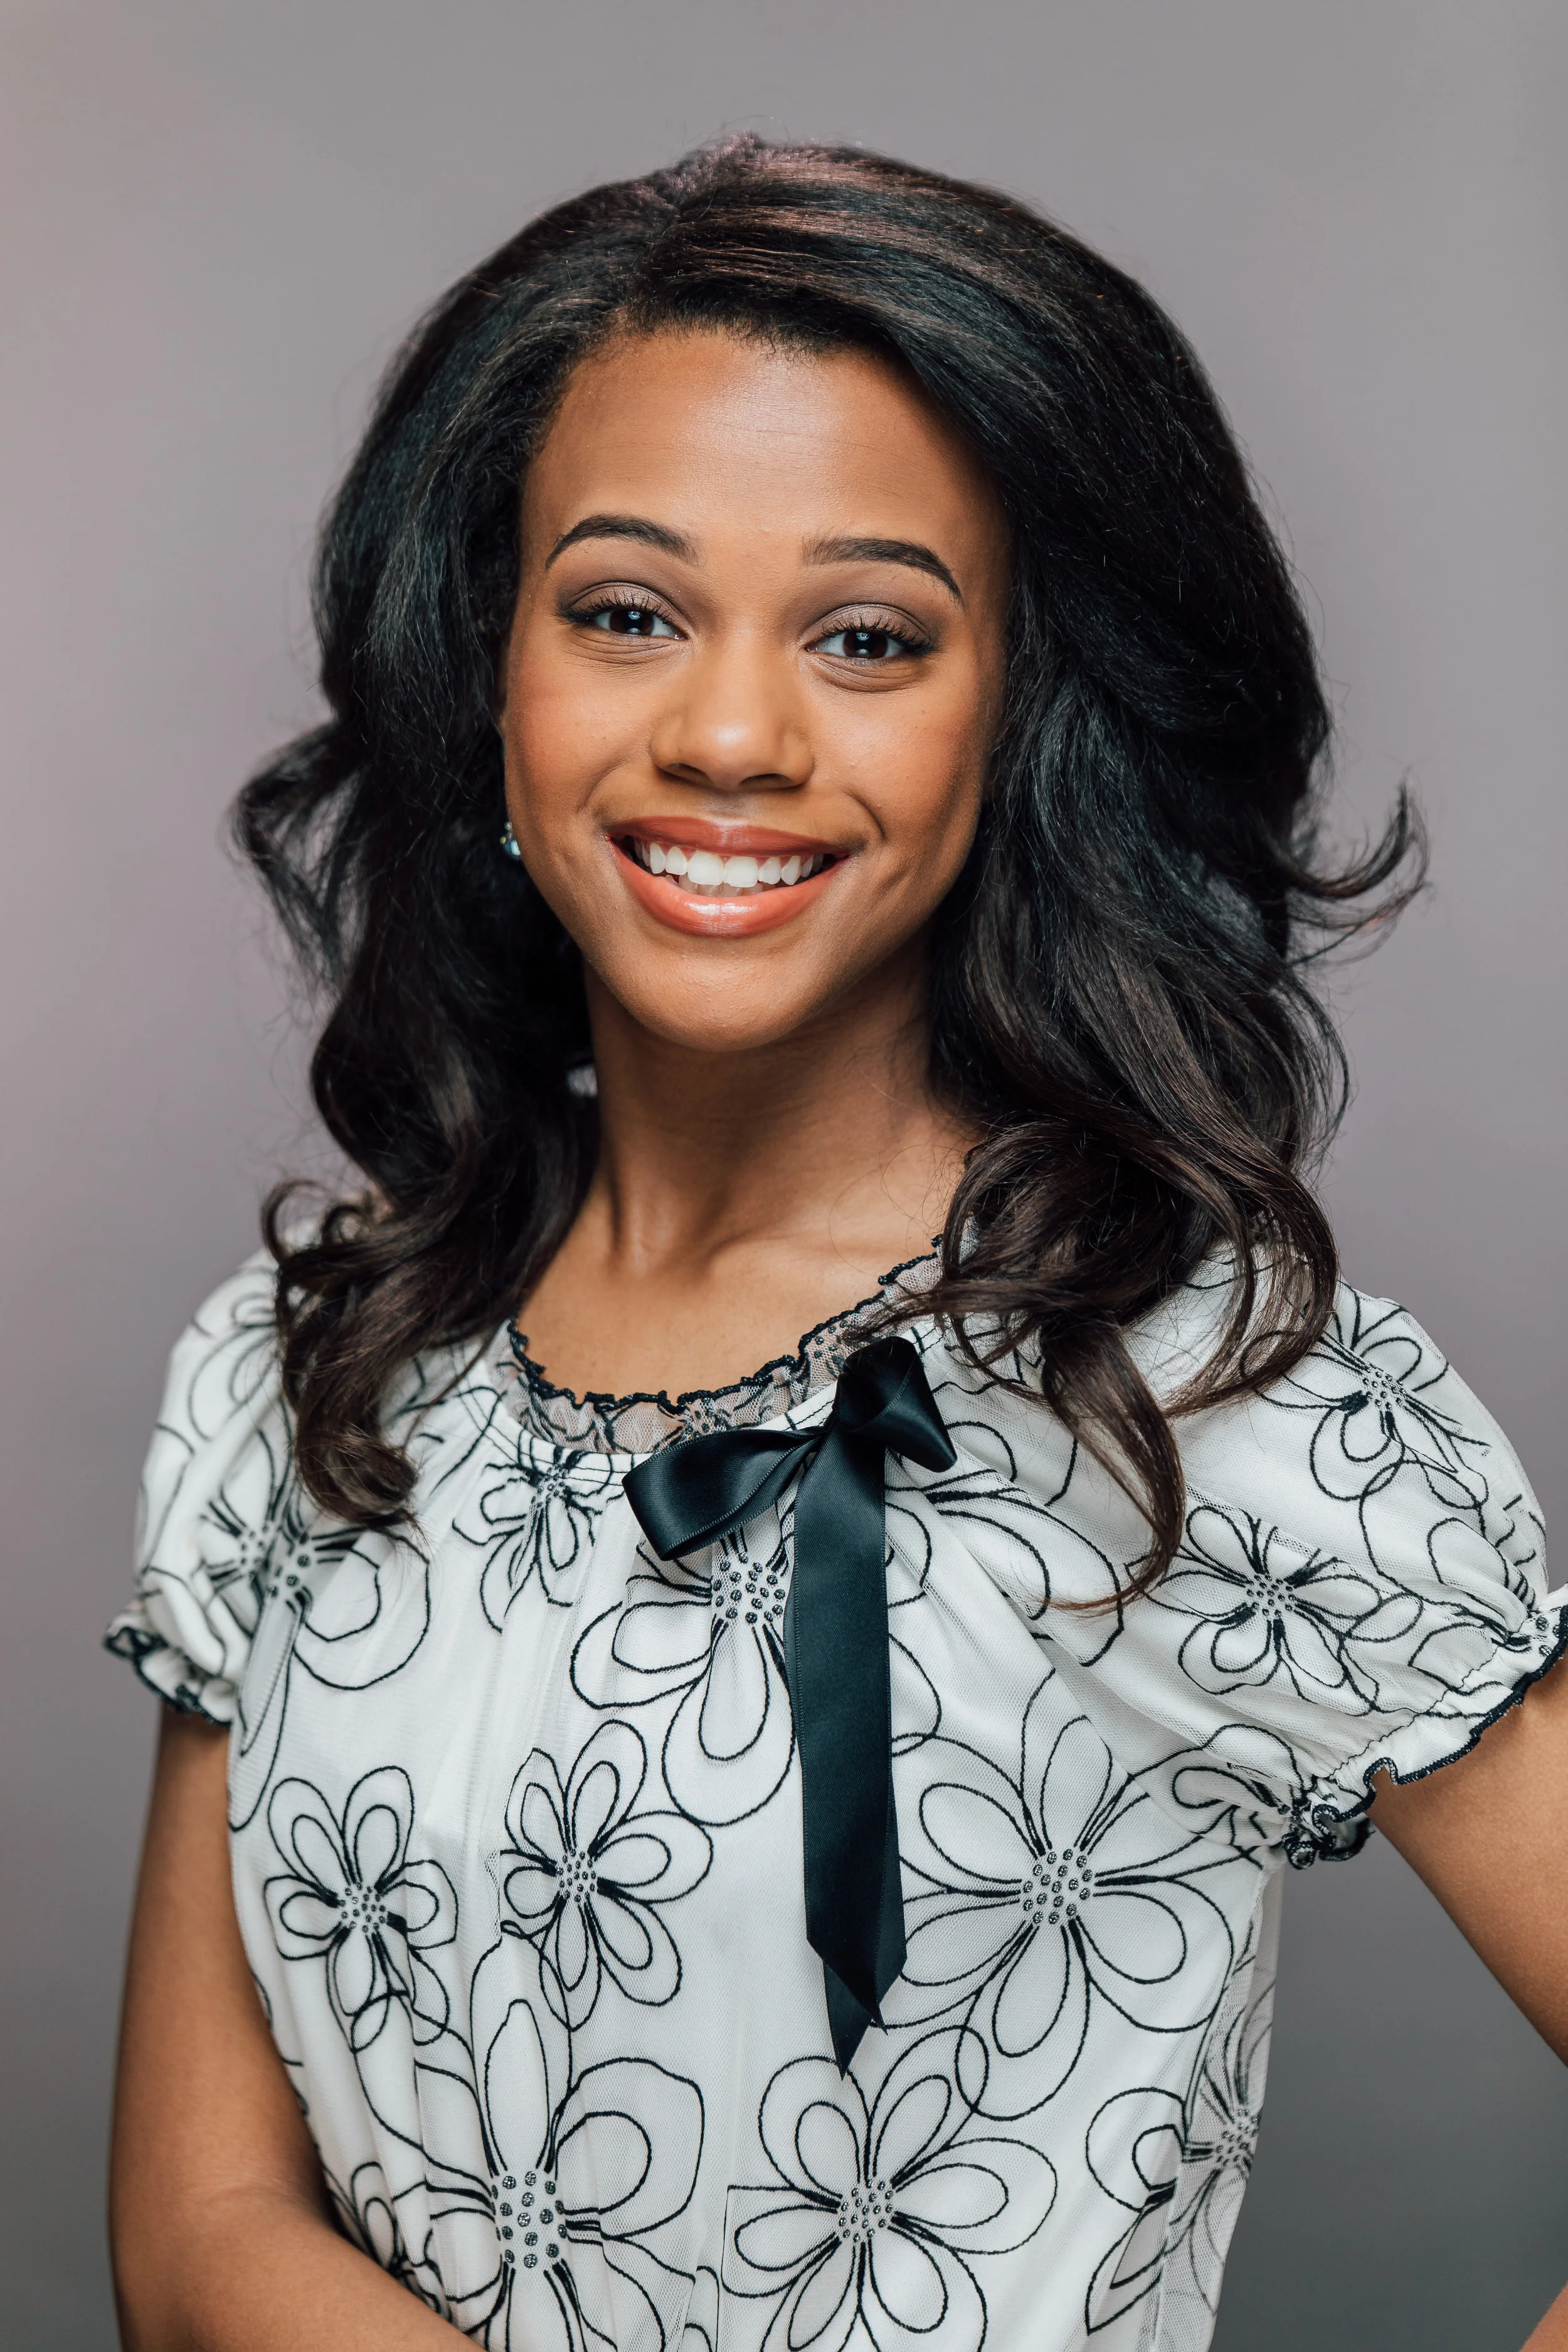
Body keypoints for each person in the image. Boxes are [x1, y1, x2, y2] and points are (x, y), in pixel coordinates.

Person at [105, 137, 1568, 2352]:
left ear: (1014, 730)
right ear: (483, 679)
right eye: (623, 610)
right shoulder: (299, 1370)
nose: (725, 733)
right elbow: (200, 2222)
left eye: (868, 636)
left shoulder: (1212, 1391)